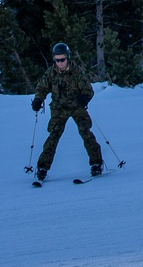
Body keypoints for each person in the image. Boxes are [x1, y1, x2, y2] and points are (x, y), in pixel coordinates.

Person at [32, 42, 104, 180]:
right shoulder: (51, 73)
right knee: (53, 136)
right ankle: (42, 167)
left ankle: (96, 163)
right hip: (59, 109)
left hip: (77, 107)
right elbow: (41, 88)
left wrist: (85, 98)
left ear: (68, 58)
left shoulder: (77, 72)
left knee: (85, 132)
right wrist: (38, 100)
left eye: (62, 59)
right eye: (57, 60)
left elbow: (88, 89)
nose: (60, 63)